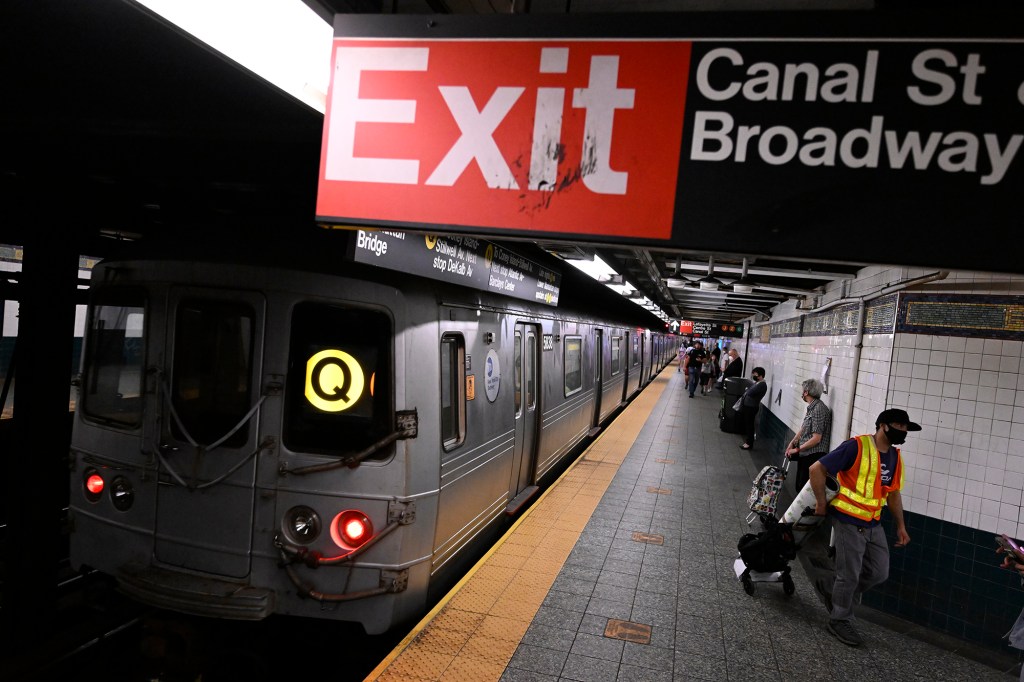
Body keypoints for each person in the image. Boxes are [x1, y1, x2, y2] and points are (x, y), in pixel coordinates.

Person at [809, 408, 916, 648]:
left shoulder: (896, 458)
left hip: (873, 523)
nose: (904, 432)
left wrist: (901, 525)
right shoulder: (856, 447)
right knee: (849, 574)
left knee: (879, 571)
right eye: (899, 426)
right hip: (848, 520)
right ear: (883, 426)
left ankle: (830, 587)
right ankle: (839, 619)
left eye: (906, 429)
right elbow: (816, 469)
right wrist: (821, 503)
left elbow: (893, 494)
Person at [785, 378, 833, 494]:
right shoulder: (812, 407)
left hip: (813, 455)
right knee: (799, 486)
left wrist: (797, 449)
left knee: (803, 489)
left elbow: (817, 438)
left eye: (803, 391)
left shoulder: (818, 409)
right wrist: (792, 443)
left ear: (806, 392)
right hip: (806, 453)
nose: (802, 393)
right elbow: (803, 428)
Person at [738, 367, 767, 449]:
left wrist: (747, 389)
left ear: (761, 375)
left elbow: (749, 392)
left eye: (755, 374)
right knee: (748, 424)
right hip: (749, 406)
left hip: (751, 407)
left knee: (750, 425)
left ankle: (749, 443)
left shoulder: (762, 385)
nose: (754, 375)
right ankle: (748, 442)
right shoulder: (757, 383)